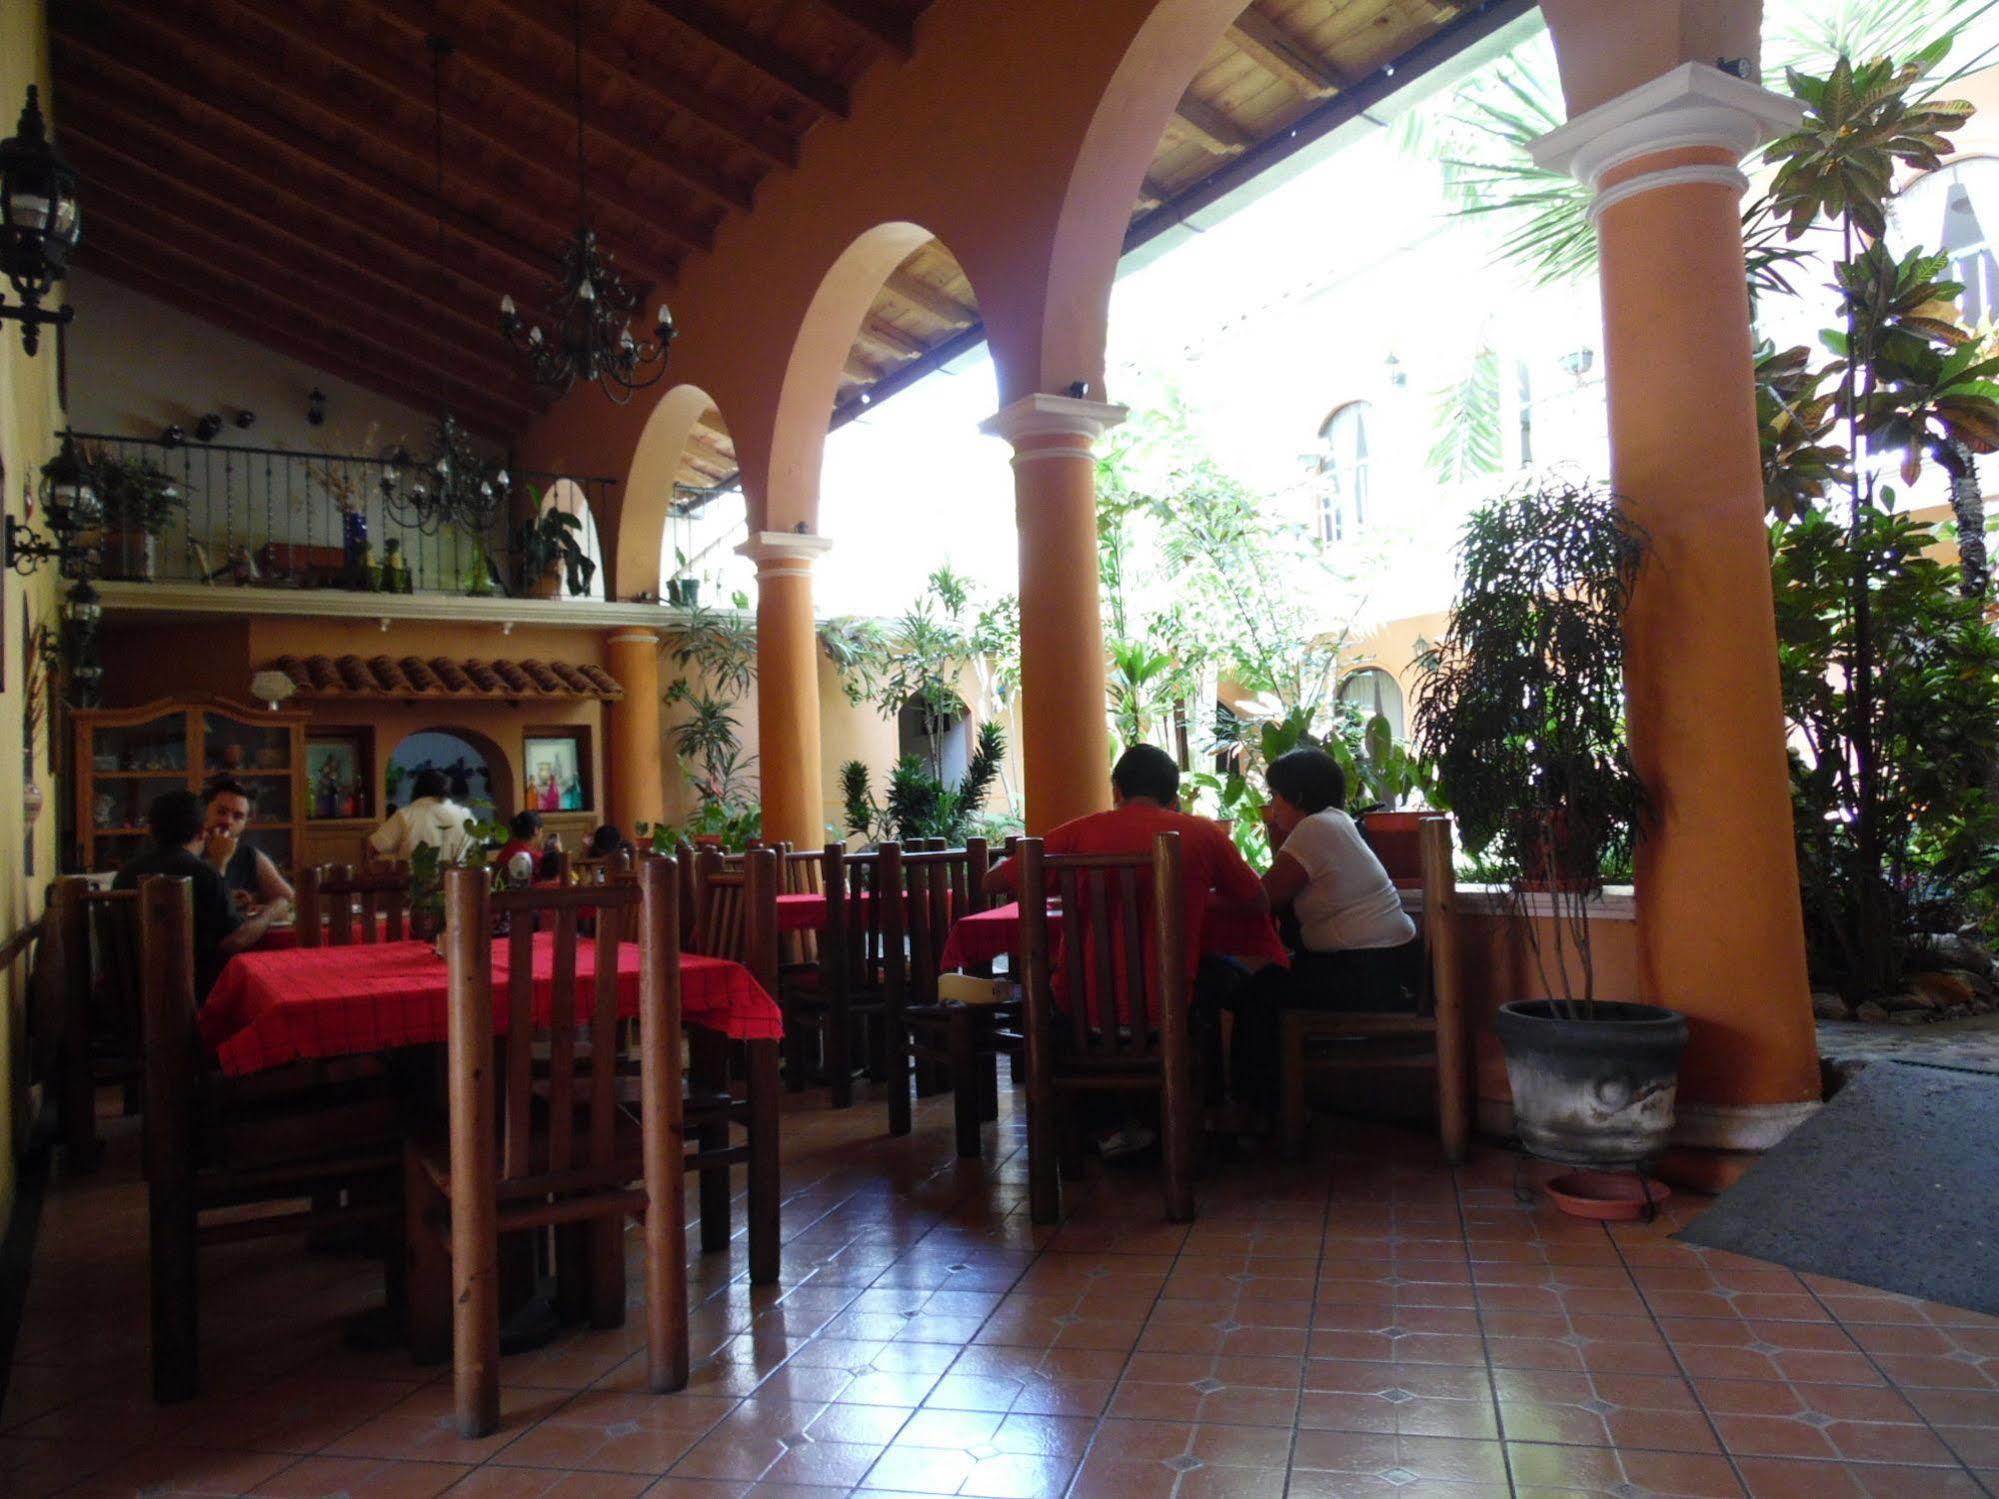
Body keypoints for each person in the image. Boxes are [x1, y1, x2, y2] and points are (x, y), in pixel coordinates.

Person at [983, 744, 1268, 1156]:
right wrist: (1190, 894)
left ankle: (1103, 1127)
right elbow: (1256, 900)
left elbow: (993, 884)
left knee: (1057, 991)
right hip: (1165, 1010)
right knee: (1229, 980)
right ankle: (1213, 1113)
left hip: (1080, 1010)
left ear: (1116, 789)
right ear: (1174, 796)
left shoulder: (1078, 832)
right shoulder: (1201, 832)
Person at [1225, 746, 1420, 1134]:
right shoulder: (1338, 823)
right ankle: (1266, 1108)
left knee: (1253, 992)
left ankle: (1256, 1114)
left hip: (1367, 975)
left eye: (1275, 794)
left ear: (1296, 796)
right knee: (1264, 986)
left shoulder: (1314, 829)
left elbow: (1265, 897)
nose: (1272, 805)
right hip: (1394, 970)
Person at [116, 790, 289, 998]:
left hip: (132, 996)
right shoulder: (202, 873)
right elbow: (234, 940)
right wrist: (272, 910)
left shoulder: (124, 874)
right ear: (201, 831)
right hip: (196, 996)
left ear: (151, 831)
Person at [201, 777, 295, 911]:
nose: (228, 821)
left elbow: (291, 902)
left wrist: (257, 902)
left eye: (238, 816)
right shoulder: (187, 852)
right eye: (221, 812)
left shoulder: (249, 856)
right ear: (204, 813)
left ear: (245, 823)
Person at [367, 767, 473, 863]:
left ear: (417, 789)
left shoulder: (405, 815)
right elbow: (479, 845)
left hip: (415, 882)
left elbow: (373, 847)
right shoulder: (464, 814)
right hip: (459, 882)